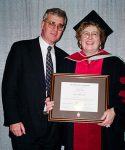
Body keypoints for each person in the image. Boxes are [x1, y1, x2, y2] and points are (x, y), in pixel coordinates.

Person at [61, 10, 125, 150]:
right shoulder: (67, 63)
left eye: (95, 33)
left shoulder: (115, 64)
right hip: (73, 135)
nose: (90, 37)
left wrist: (115, 111)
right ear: (79, 39)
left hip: (107, 134)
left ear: (101, 40)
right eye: (86, 33)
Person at [2, 8, 69, 150]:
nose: (55, 28)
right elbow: (8, 87)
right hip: (25, 127)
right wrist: (13, 120)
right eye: (52, 23)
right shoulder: (21, 49)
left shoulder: (65, 58)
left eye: (60, 26)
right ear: (42, 24)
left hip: (54, 131)